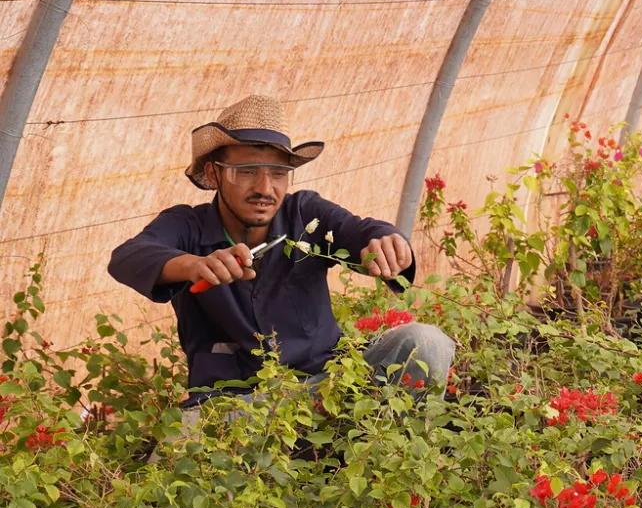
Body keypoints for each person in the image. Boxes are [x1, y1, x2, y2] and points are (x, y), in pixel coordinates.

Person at [107, 94, 453, 418]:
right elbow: (128, 256)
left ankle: (390, 453)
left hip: (329, 389)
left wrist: (386, 241)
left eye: (278, 174)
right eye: (246, 172)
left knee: (424, 342)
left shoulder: (306, 215)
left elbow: (359, 230)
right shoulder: (187, 226)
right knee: (184, 440)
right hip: (238, 407)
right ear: (214, 173)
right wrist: (195, 265)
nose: (264, 188)